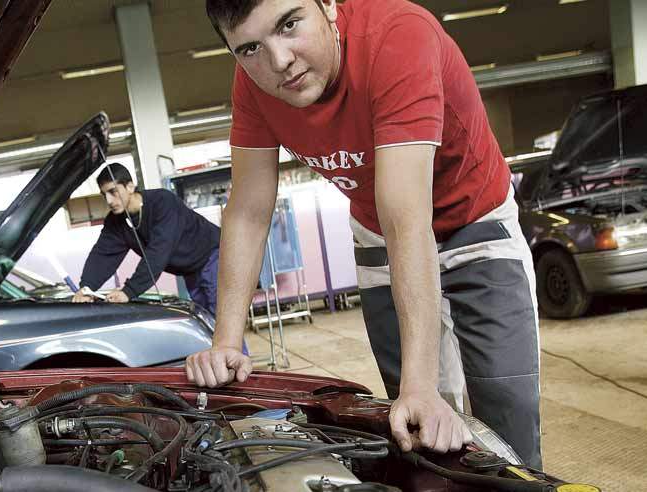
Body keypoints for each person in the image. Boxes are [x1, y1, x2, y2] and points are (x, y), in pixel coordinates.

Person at [184, 0, 542, 468]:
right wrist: (227, 342)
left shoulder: (398, 36)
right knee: (419, 430)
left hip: (472, 221)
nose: (279, 61)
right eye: (249, 48)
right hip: (378, 231)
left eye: (290, 25)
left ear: (329, 5)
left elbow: (407, 218)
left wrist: (421, 384)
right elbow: (249, 212)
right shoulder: (255, 82)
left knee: (505, 418)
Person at [72, 163, 222, 316]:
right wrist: (86, 288)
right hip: (190, 270)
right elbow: (102, 255)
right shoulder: (116, 221)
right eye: (104, 195)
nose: (109, 200)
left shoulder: (163, 202)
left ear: (130, 187)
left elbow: (158, 251)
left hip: (214, 256)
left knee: (222, 321)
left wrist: (129, 291)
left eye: (113, 191)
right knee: (207, 321)